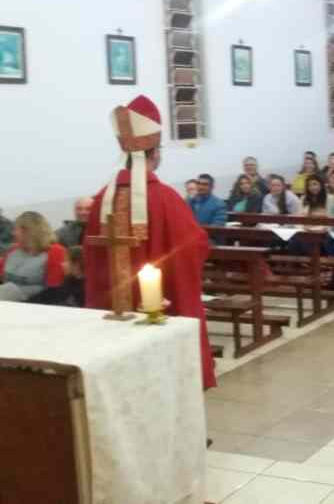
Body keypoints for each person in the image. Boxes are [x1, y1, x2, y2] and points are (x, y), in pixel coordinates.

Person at [84, 95, 215, 389]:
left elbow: (91, 258)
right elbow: (194, 247)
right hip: (157, 309)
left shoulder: (101, 201)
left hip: (112, 311)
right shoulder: (166, 198)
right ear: (154, 153)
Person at [0, 211, 67, 302]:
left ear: (28, 231)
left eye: (16, 229)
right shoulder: (13, 250)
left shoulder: (55, 252)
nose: (13, 233)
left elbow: (53, 290)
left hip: (34, 304)